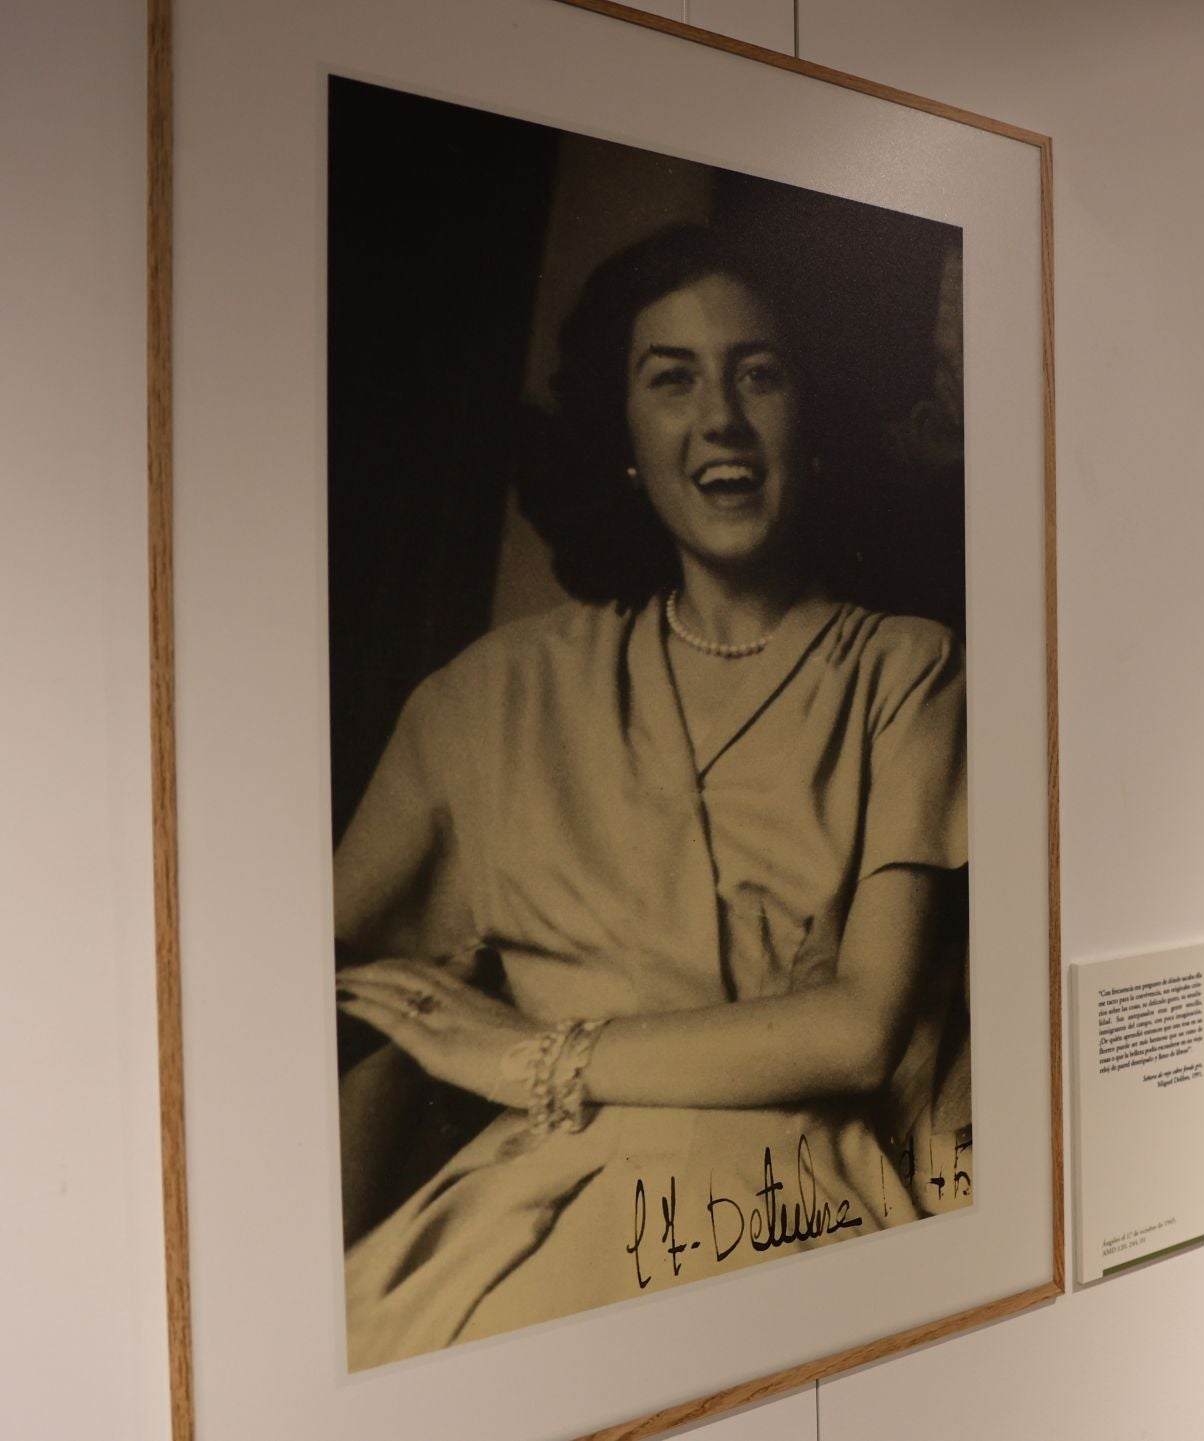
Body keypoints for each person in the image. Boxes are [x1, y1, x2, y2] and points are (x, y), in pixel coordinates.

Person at [330, 226, 969, 1370]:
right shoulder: (488, 700)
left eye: (757, 372)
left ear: (811, 413)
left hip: (795, 1212)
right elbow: (339, 1001)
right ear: (620, 439)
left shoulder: (907, 669)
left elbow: (862, 1029)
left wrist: (534, 1057)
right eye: (669, 378)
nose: (720, 416)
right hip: (526, 1236)